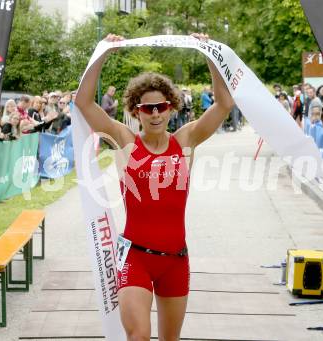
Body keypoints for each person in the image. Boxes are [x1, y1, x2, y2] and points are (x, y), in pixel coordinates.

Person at [75, 33, 234, 341]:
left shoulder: (185, 141)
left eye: (161, 107)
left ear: (172, 107)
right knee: (139, 336)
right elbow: (83, 102)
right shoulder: (125, 142)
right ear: (137, 112)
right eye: (147, 109)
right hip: (136, 258)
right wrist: (103, 52)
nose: (156, 114)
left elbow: (225, 103)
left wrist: (208, 53)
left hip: (176, 260)